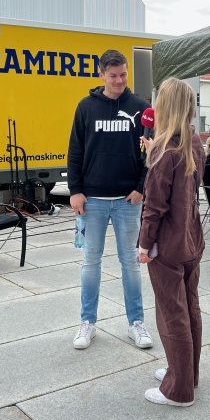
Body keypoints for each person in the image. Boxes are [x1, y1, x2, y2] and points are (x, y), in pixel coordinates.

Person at [67, 49, 153, 350]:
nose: (119, 80)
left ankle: (136, 323)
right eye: (113, 75)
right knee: (90, 262)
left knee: (130, 262)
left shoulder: (141, 108)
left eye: (123, 75)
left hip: (128, 201)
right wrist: (75, 190)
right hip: (92, 202)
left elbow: (150, 154)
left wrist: (141, 187)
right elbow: (75, 151)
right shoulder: (86, 107)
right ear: (102, 74)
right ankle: (87, 322)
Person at [138, 77, 205, 407]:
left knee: (171, 313)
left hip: (167, 243)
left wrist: (143, 243)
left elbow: (155, 205)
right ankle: (187, 374)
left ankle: (179, 390)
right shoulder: (193, 143)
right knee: (189, 306)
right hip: (192, 238)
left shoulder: (166, 150)